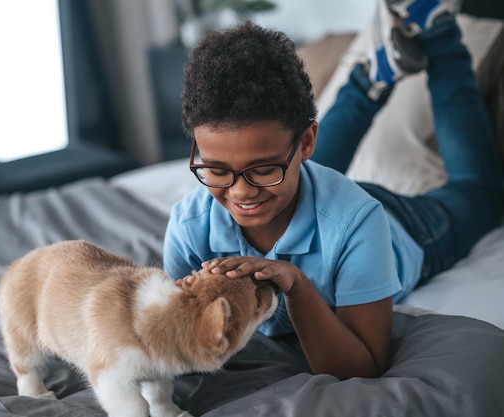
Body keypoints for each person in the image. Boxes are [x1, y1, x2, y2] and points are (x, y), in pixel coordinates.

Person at [163, 0, 504, 380]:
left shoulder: (358, 221)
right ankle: (374, 73)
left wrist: (297, 285)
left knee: (481, 192)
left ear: (307, 142)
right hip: (302, 194)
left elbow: (363, 365)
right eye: (216, 169)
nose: (240, 193)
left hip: (406, 227)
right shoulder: (189, 225)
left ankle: (437, 29)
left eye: (260, 169)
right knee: (285, 179)